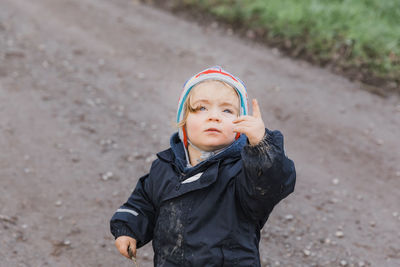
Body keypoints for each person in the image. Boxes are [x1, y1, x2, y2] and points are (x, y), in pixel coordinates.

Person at [110, 66, 296, 266]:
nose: (214, 116)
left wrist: (262, 145)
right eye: (201, 108)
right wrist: (128, 228)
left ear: (241, 124)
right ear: (183, 120)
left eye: (227, 110)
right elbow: (144, 202)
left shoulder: (244, 171)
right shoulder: (166, 167)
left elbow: (272, 184)